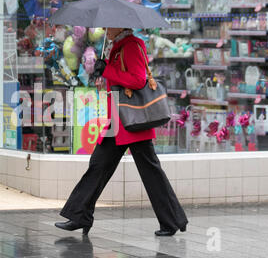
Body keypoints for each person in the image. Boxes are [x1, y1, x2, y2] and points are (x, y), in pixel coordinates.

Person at [55, 28, 188, 237]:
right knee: (98, 166)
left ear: (120, 27)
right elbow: (119, 78)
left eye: (110, 25)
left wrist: (107, 70)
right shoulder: (118, 47)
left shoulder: (132, 45)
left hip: (132, 122)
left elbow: (137, 80)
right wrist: (102, 73)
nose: (105, 29)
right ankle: (80, 215)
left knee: (151, 172)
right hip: (118, 121)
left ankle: (172, 221)